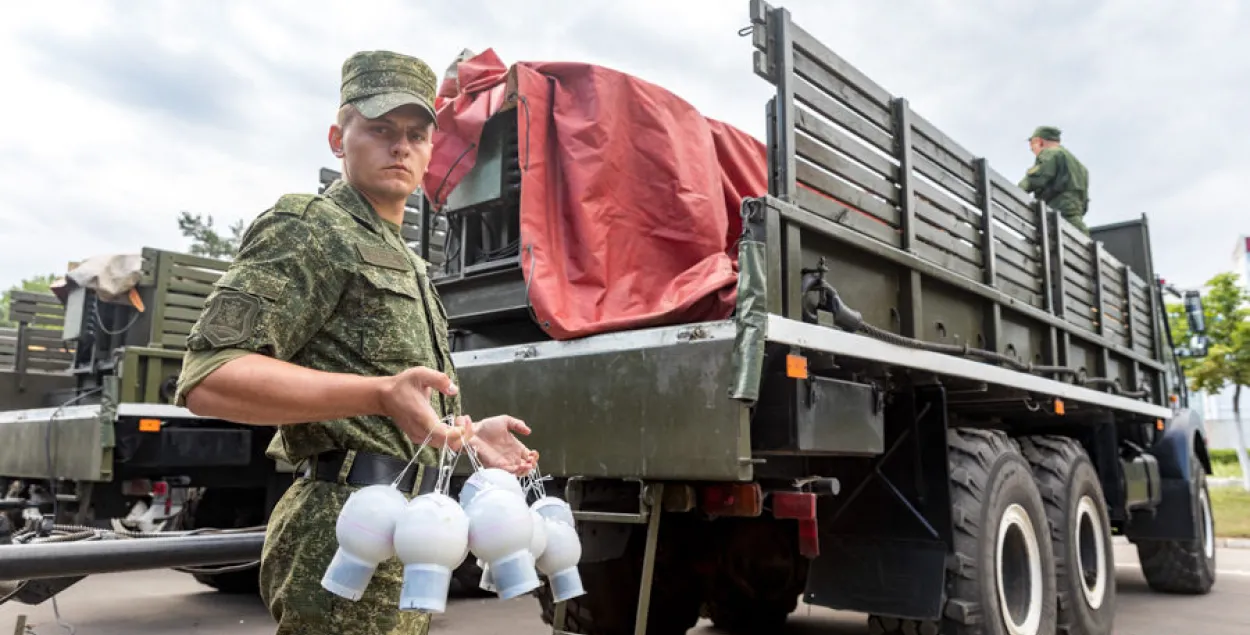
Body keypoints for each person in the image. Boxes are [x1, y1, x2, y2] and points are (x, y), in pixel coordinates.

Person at [174, 50, 538, 635]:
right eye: (380, 130)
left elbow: (401, 408)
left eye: (417, 136)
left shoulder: (409, 261)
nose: (401, 147)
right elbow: (209, 379)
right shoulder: (309, 228)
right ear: (336, 139)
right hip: (342, 528)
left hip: (411, 530)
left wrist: (467, 439)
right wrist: (379, 394)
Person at [1018, 125, 1091, 235]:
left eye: (1032, 144)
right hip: (1076, 219)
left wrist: (1017, 190)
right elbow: (1084, 200)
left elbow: (1036, 178)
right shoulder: (1081, 168)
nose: (1031, 149)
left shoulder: (1051, 153)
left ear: (1039, 142)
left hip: (1057, 214)